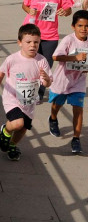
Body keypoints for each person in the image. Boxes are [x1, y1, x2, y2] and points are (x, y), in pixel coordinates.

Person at [0, 24, 52, 161]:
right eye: (28, 42)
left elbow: (47, 83)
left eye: (36, 42)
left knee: (23, 127)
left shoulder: (41, 61)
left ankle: (12, 145)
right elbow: (1, 73)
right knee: (17, 123)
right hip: (12, 98)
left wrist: (47, 79)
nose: (32, 45)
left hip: (29, 101)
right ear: (20, 43)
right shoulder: (12, 59)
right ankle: (5, 132)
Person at [22, 0, 73, 101]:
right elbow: (24, 5)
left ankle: (40, 91)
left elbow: (68, 8)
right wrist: (29, 11)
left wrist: (65, 11)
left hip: (51, 34)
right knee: (30, 62)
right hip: (32, 32)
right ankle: (28, 89)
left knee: (47, 63)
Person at [47, 10, 88, 153]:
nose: (83, 29)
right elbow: (55, 57)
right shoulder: (68, 40)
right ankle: (53, 119)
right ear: (73, 26)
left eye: (86, 26)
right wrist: (74, 58)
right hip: (62, 80)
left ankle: (76, 139)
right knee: (57, 104)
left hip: (79, 82)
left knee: (78, 109)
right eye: (80, 26)